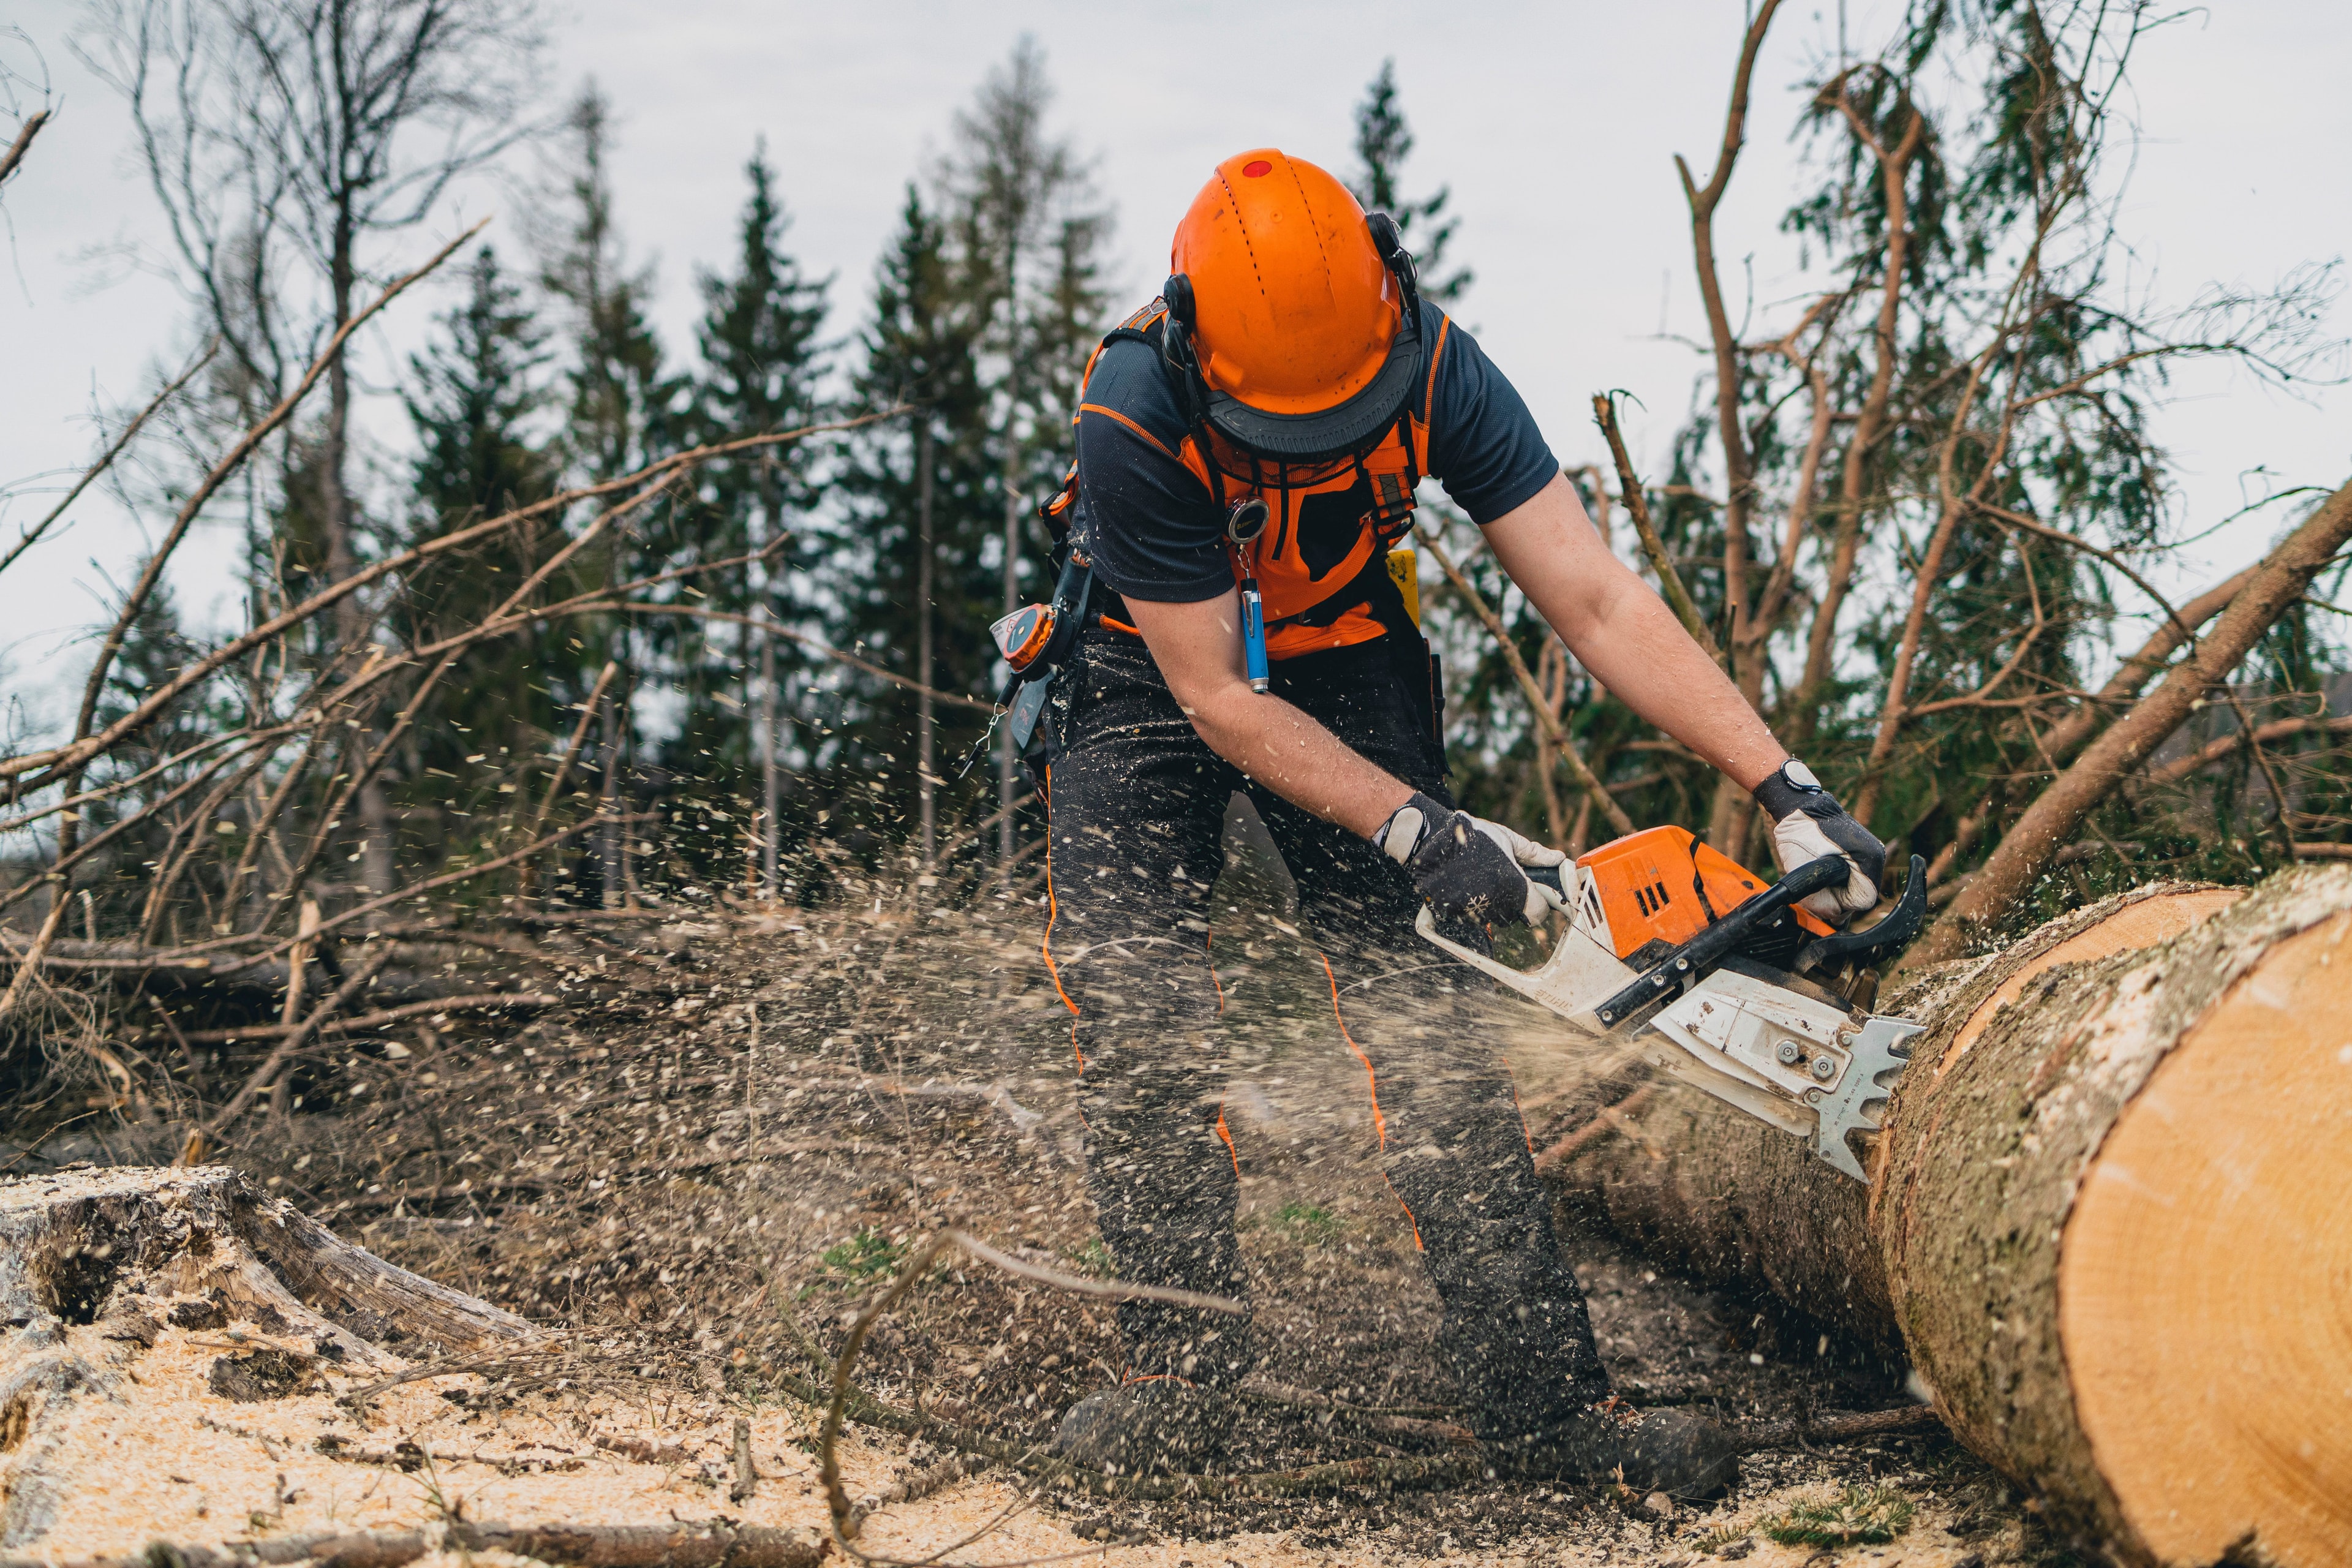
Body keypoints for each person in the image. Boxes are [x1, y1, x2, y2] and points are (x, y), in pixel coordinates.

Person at [1035, 149, 1885, 1497]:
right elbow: (1217, 699)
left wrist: (1783, 784)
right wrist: (1418, 826)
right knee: (1137, 999)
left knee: (1427, 1018)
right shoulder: (1135, 407)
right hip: (1150, 666)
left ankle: (1549, 1413)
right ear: (1199, 348)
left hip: (1345, 648)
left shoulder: (1434, 365)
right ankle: (1176, 1376)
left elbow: (1596, 598)